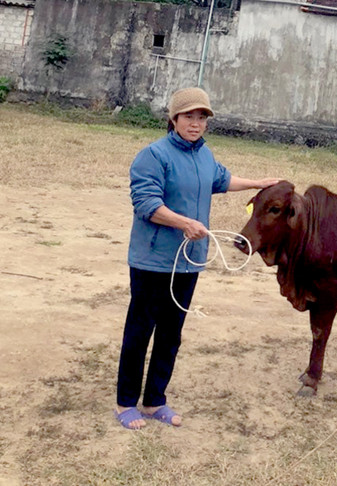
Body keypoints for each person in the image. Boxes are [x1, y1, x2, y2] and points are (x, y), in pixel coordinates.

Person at [115, 87, 278, 429]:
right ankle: (125, 403)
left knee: (171, 333)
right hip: (153, 261)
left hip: (189, 261)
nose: (196, 123)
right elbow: (146, 204)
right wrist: (183, 222)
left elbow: (222, 179)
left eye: (202, 117)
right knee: (140, 331)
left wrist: (258, 183)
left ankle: (155, 400)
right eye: (189, 116)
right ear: (173, 118)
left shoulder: (204, 156)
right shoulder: (153, 156)